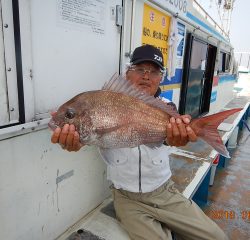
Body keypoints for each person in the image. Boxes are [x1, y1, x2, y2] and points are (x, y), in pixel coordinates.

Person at [51, 45, 228, 240]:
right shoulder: (101, 106)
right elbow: (82, 140)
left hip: (165, 193)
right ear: (128, 74)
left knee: (217, 237)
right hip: (127, 199)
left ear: (160, 78)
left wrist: (180, 137)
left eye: (153, 71)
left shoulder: (167, 108)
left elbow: (170, 139)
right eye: (140, 69)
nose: (146, 76)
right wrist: (73, 143)